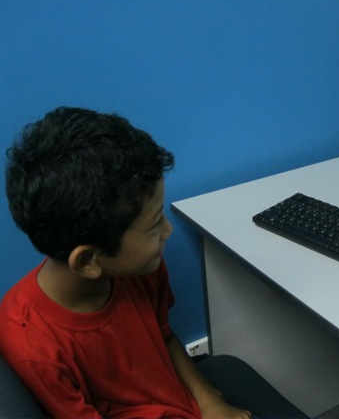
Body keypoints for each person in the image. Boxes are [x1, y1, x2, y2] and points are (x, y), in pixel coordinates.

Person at [0, 107, 306, 418]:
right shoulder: (32, 348)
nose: (167, 231)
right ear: (89, 260)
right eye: (154, 224)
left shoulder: (141, 267)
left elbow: (164, 336)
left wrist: (209, 399)